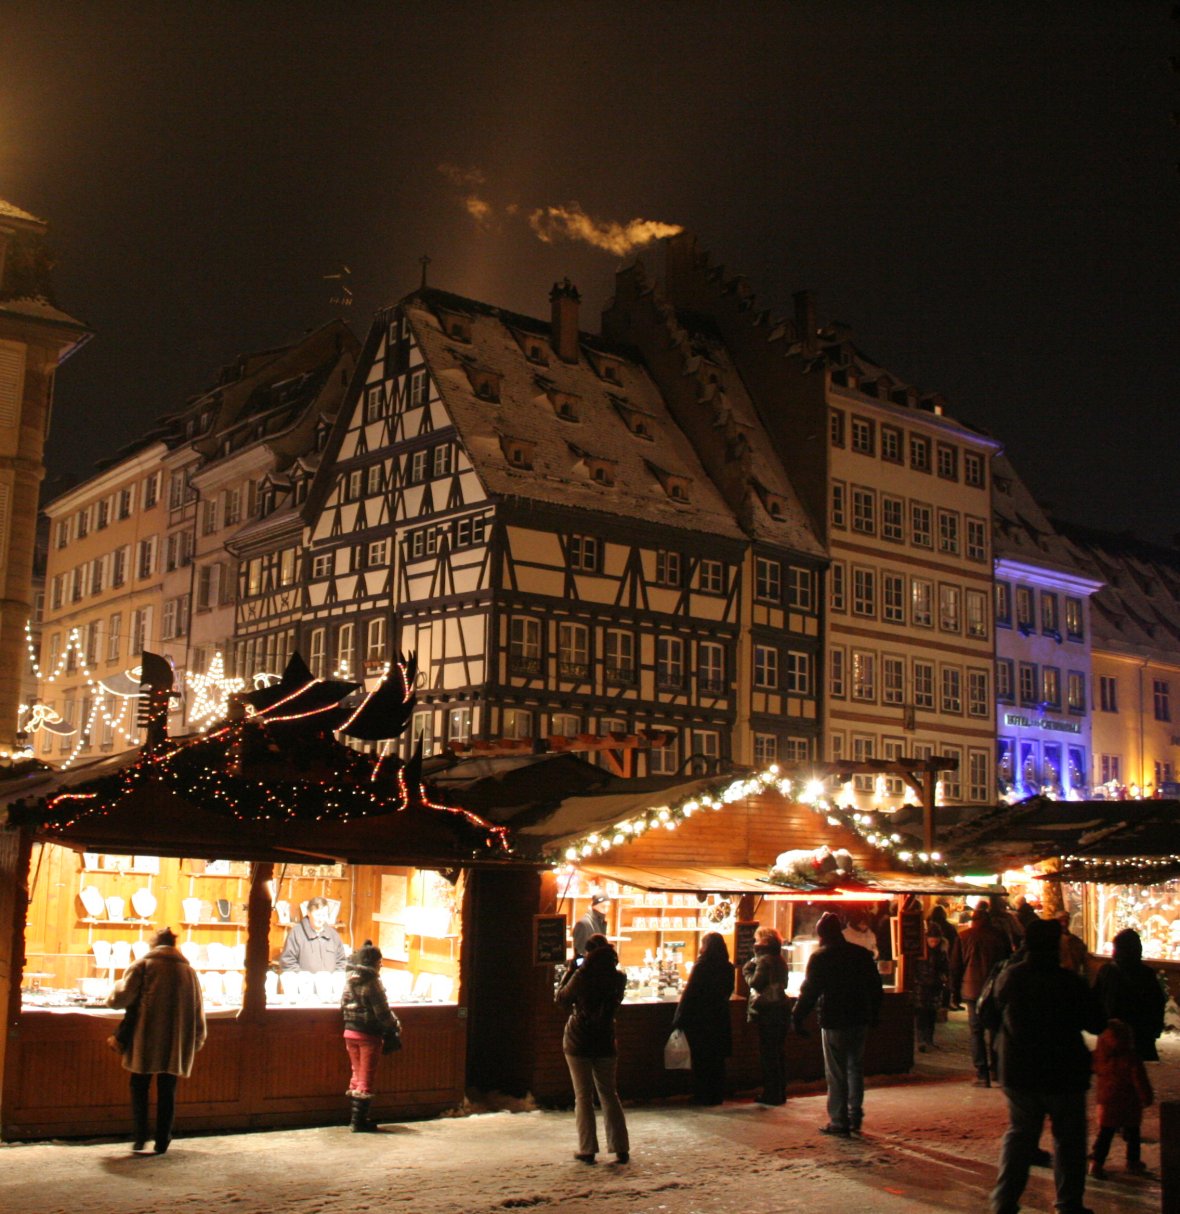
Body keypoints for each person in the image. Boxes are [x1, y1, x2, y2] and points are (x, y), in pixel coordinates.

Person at [987, 917, 1106, 1214]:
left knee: (1021, 1135)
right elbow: (1096, 1022)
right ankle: (1068, 1202)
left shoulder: (1011, 976)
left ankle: (1004, 1200)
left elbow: (987, 1012)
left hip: (1018, 1069)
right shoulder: (1068, 982)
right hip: (1062, 1071)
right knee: (1069, 1139)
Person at [106, 926, 206, 1154]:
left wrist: (110, 995)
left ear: (154, 944)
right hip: (175, 1041)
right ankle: (163, 1140)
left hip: (146, 1039)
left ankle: (140, 1137)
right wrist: (198, 1038)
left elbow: (120, 999)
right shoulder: (188, 971)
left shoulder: (143, 966)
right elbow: (198, 1008)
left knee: (139, 1085)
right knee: (167, 1089)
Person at [792, 910, 883, 1137]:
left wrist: (797, 1016)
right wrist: (875, 1014)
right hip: (859, 1018)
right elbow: (875, 988)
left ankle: (838, 1120)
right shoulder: (861, 954)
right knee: (855, 1068)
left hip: (834, 1020)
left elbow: (809, 992)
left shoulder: (821, 957)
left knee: (837, 1072)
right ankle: (855, 1116)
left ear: (821, 934)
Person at [555, 932, 629, 1165]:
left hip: (579, 1040)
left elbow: (561, 999)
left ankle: (587, 1149)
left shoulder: (582, 975)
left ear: (588, 953)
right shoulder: (618, 978)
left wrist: (570, 970)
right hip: (606, 1040)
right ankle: (620, 1147)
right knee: (609, 1093)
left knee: (583, 1096)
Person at [340, 939, 402, 1132]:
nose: (381, 965)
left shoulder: (349, 979)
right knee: (366, 1077)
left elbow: (342, 1003)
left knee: (357, 1073)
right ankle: (359, 1121)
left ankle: (354, 1117)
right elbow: (382, 1012)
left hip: (350, 1032)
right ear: (374, 962)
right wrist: (395, 1026)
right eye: (379, 962)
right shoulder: (373, 982)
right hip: (368, 1034)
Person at [672, 931, 734, 1105]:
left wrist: (679, 1018)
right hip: (720, 1017)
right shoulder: (728, 967)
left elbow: (690, 993)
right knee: (717, 1060)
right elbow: (728, 991)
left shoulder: (702, 966)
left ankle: (702, 1095)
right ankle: (717, 1095)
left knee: (701, 1059)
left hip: (701, 1019)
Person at [1089, 1018, 1153, 1179]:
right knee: (1133, 1133)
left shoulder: (1100, 1056)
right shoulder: (1131, 1058)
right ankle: (1133, 1161)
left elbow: (1089, 1067)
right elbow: (1140, 1079)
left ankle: (1097, 1162)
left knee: (1106, 1133)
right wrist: (1146, 1097)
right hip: (1129, 1103)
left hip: (1106, 1102)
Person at [1093, 927, 1167, 1062]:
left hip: (1114, 1034)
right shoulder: (1146, 974)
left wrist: (1100, 1026)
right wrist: (1154, 1029)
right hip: (1141, 1035)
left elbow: (1096, 1001)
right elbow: (1157, 1002)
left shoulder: (1107, 972)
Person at [958, 902, 1011, 1085]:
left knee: (976, 1030)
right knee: (995, 1029)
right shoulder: (999, 936)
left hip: (972, 990)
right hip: (995, 989)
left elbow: (956, 966)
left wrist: (954, 991)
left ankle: (982, 1072)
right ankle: (996, 1069)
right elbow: (1007, 962)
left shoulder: (963, 937)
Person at [742, 926, 790, 1105]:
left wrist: (747, 970)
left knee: (768, 1054)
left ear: (764, 942)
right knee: (778, 1053)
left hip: (768, 1012)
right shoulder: (780, 959)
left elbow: (756, 983)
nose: (754, 943)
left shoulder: (763, 961)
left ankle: (771, 1094)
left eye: (757, 939)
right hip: (782, 1010)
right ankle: (780, 1092)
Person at [279, 895, 347, 972]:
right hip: (303, 983)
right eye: (318, 915)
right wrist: (304, 977)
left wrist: (336, 976)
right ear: (308, 913)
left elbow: (341, 961)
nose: (321, 919)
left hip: (329, 983)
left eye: (324, 915)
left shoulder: (333, 935)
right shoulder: (296, 933)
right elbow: (287, 962)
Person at [912, 920, 949, 1052]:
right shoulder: (920, 952)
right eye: (931, 941)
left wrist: (943, 977)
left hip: (934, 986)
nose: (934, 943)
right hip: (921, 987)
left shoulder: (941, 953)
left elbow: (945, 968)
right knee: (921, 1015)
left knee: (931, 1015)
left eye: (936, 941)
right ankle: (921, 1040)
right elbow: (915, 969)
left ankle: (929, 1040)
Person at [929, 904, 964, 1007]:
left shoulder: (928, 925)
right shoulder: (949, 927)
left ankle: (937, 1003)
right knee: (946, 980)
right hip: (947, 957)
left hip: (930, 958)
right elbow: (955, 942)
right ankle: (945, 1003)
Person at [572, 893, 610, 957]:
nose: (606, 910)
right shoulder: (583, 924)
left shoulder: (601, 923)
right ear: (593, 905)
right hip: (589, 965)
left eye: (608, 906)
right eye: (603, 906)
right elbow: (580, 953)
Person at [1058, 912, 1088, 977]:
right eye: (1061, 920)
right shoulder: (1054, 941)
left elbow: (1085, 960)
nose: (1064, 924)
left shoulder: (1077, 942)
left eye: (1066, 920)